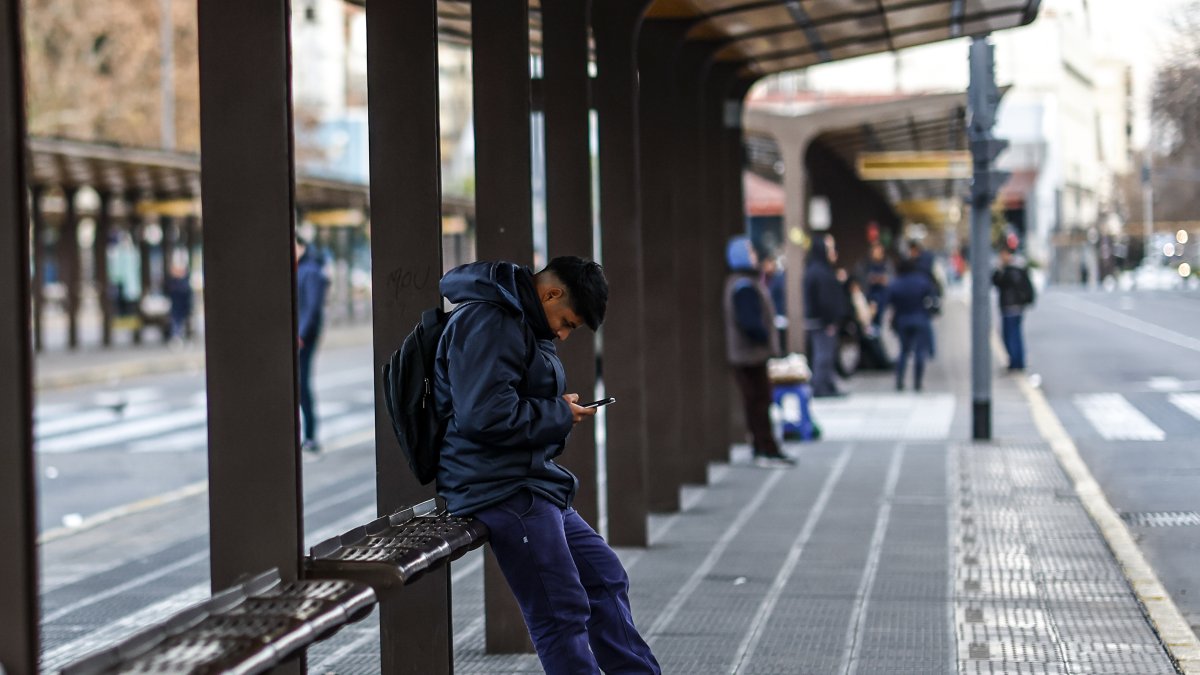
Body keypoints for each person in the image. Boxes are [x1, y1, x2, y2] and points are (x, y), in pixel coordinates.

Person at [434, 256, 660, 675]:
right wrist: (557, 413)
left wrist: (557, 409)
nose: (563, 334)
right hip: (496, 485)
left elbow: (510, 403)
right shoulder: (489, 319)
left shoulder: (522, 320)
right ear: (551, 293)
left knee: (605, 578)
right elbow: (482, 415)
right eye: (567, 322)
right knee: (560, 611)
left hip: (528, 479)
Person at [723, 237, 795, 468]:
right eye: (751, 252)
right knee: (759, 402)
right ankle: (766, 448)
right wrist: (765, 337)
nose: (756, 256)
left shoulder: (741, 282)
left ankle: (763, 447)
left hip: (747, 354)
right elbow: (750, 321)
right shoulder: (744, 285)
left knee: (756, 402)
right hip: (750, 355)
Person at [295, 237, 329, 454]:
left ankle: (310, 435)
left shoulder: (311, 270)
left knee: (301, 382)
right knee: (297, 383)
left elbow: (312, 307)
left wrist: (301, 335)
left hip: (303, 337)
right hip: (297, 335)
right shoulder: (300, 269)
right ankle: (305, 434)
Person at [803, 234, 847, 397]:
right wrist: (829, 320)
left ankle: (826, 385)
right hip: (821, 322)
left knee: (826, 354)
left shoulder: (819, 269)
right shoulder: (819, 271)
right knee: (823, 355)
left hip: (820, 320)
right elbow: (824, 299)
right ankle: (821, 386)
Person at [884, 258, 937, 392]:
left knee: (903, 351)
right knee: (920, 352)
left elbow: (889, 301)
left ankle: (899, 381)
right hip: (920, 317)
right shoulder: (922, 281)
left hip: (902, 319)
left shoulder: (896, 283)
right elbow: (932, 297)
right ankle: (917, 382)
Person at [992, 246, 1035, 371]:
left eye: (1003, 254)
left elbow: (1001, 281)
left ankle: (1016, 363)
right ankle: (1016, 361)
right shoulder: (1017, 267)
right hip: (1012, 306)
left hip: (1012, 306)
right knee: (1012, 335)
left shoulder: (1012, 270)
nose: (1002, 257)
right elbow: (995, 281)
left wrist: (1000, 269)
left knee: (1012, 336)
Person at [164, 263, 193, 344]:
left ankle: (180, 336)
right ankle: (177, 337)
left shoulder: (183, 283)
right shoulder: (174, 282)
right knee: (176, 323)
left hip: (181, 307)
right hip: (176, 308)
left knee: (180, 323)